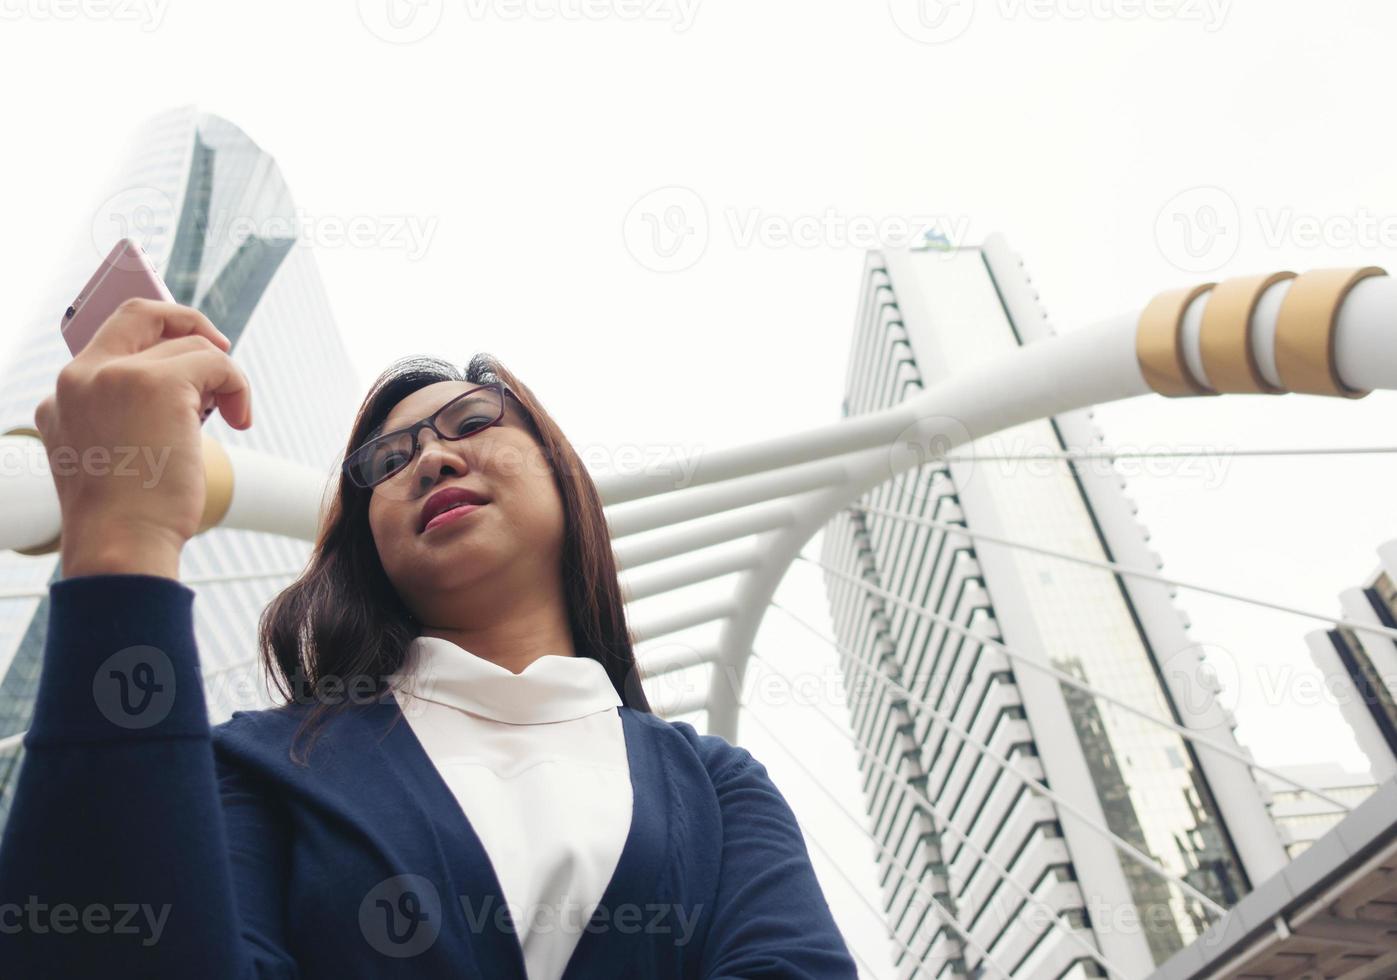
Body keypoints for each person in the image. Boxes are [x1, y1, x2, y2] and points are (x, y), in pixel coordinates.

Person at [0, 298, 859, 979]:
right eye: (388, 460)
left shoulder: (716, 787)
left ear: (563, 475)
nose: (430, 460)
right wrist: (124, 534)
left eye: (473, 422)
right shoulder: (258, 770)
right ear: (364, 542)